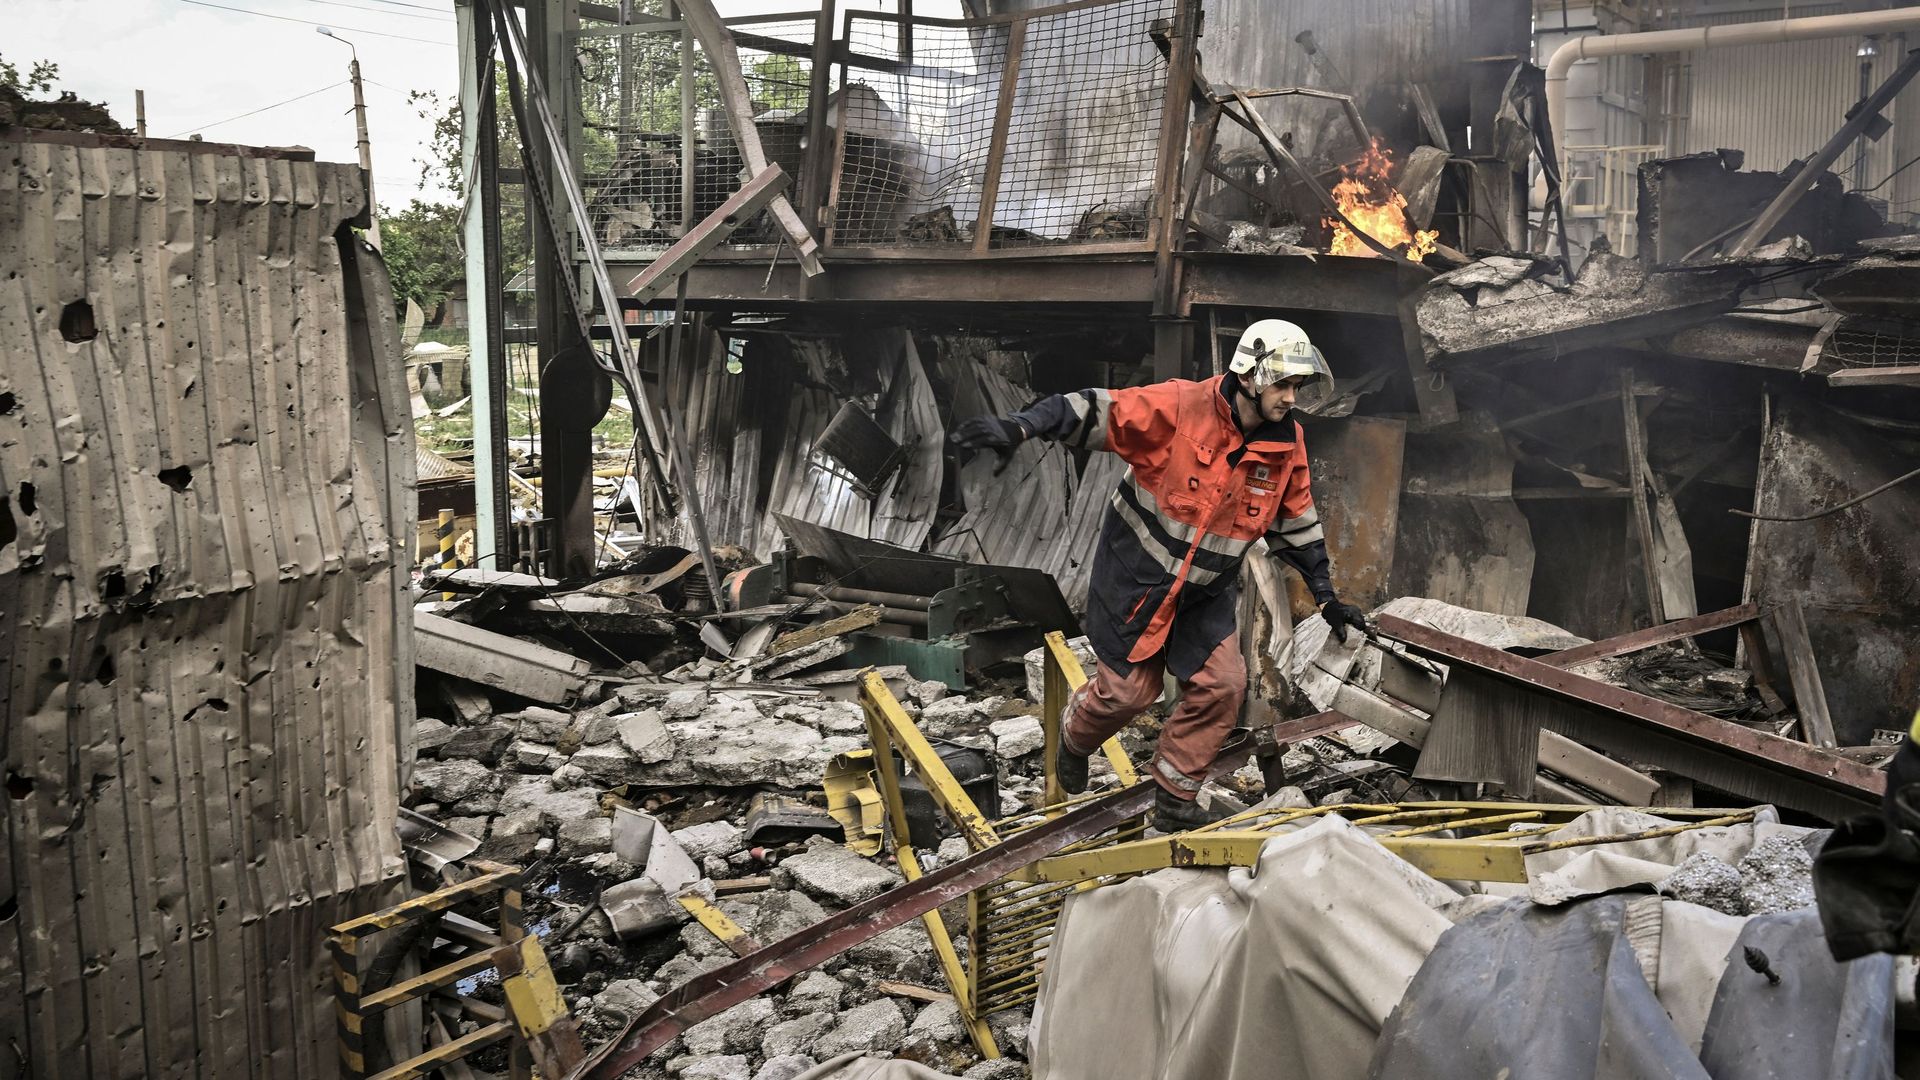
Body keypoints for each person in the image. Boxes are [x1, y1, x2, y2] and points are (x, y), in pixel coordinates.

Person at [951, 319, 1369, 831]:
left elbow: (1297, 522)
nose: (1290, 397)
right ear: (1249, 376)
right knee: (1130, 694)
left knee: (1224, 685)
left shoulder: (1287, 445)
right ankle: (1076, 736)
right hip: (1137, 577)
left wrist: (1327, 598)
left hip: (1206, 592)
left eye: (1296, 386)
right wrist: (1020, 426)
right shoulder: (1179, 407)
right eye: (1282, 384)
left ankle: (1174, 799)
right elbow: (1093, 409)